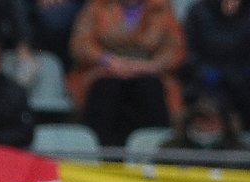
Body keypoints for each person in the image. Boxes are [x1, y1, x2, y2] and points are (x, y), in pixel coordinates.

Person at [67, 0, 185, 148]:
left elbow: (175, 48)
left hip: (148, 69)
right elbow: (80, 43)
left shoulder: (161, 7)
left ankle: (156, 152)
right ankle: (102, 154)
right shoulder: (97, 5)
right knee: (106, 88)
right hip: (104, 69)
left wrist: (151, 66)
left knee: (150, 88)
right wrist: (109, 61)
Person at [181, 0, 250, 120]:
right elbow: (188, 49)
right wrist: (202, 70)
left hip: (246, 78)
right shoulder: (199, 12)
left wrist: (249, 70)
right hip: (207, 78)